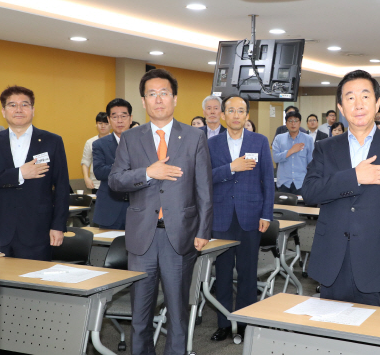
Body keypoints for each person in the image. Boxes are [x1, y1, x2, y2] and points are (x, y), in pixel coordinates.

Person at [108, 68, 213, 354]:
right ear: (143, 101)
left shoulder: (194, 137)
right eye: (151, 94)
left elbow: (204, 187)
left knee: (177, 312)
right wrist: (148, 172)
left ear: (175, 99)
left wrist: (204, 230)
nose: (158, 99)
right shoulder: (131, 138)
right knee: (140, 314)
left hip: (180, 237)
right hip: (142, 238)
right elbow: (115, 181)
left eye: (164, 93)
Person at [301, 69, 380, 307]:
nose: (358, 104)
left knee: (376, 336)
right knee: (331, 335)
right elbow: (310, 192)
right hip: (333, 260)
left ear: (377, 104)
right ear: (341, 107)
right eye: (350, 97)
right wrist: (355, 176)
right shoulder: (326, 147)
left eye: (365, 96)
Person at [0, 85, 69, 262]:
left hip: (38, 229)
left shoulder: (52, 141)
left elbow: (62, 187)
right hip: (0, 228)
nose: (19, 109)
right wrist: (18, 174)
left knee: (37, 283)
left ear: (33, 110)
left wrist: (58, 226)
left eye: (25, 105)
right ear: (3, 111)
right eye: (12, 105)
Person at [208, 95, 274, 341]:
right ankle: (224, 322)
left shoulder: (259, 141)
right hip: (221, 218)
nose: (236, 115)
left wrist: (267, 213)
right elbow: (203, 178)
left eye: (241, 111)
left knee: (248, 272)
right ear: (223, 115)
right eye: (231, 110)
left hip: (251, 217)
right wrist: (230, 168)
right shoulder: (212, 144)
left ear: (247, 115)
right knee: (222, 274)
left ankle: (246, 322)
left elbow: (267, 180)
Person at [92, 99, 132, 230]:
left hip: (138, 208)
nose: (119, 120)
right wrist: (125, 166)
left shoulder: (144, 142)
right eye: (114, 116)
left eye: (123, 116)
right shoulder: (100, 144)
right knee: (107, 249)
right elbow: (99, 172)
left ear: (130, 118)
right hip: (109, 208)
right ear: (109, 120)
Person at [272, 110, 314, 195]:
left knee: (301, 208)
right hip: (284, 183)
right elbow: (275, 158)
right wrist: (291, 151)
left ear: (300, 123)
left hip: (301, 182)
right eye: (290, 121)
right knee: (283, 208)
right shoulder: (279, 138)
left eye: (296, 121)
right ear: (286, 123)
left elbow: (311, 163)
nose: (293, 123)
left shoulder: (308, 139)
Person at [81, 112, 110, 193]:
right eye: (100, 123)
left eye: (106, 123)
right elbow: (85, 162)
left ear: (110, 125)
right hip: (95, 183)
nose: (103, 126)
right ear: (96, 125)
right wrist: (86, 178)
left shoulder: (116, 140)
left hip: (113, 182)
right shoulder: (90, 142)